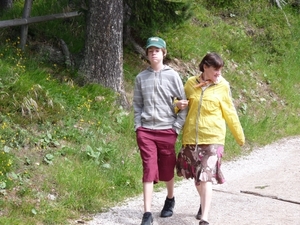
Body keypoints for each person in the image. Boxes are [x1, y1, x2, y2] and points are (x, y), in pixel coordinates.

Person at [176, 52, 245, 225]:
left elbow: (230, 112)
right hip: (192, 138)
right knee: (197, 178)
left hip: (213, 137)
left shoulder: (223, 86)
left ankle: (204, 218)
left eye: (220, 70)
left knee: (205, 175)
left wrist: (240, 137)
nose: (218, 74)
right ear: (205, 67)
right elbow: (181, 106)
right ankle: (203, 203)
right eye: (215, 70)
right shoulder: (191, 83)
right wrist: (176, 105)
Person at [133, 37, 188, 225]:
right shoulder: (141, 78)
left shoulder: (173, 76)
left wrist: (175, 128)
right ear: (147, 55)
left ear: (164, 53)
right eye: (150, 51)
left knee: (166, 169)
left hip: (167, 130)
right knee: (149, 168)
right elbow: (137, 106)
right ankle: (147, 213)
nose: (153, 53)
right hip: (146, 131)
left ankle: (170, 199)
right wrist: (138, 128)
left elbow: (184, 104)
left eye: (157, 50)